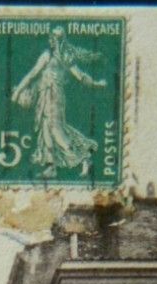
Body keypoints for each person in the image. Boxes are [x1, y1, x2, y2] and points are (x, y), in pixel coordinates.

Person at [11, 26, 107, 179]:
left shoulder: (58, 56)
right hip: (46, 94)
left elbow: (80, 76)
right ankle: (52, 167)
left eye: (56, 38)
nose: (54, 41)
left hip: (53, 95)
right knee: (46, 129)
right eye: (53, 38)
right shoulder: (55, 55)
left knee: (55, 129)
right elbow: (33, 75)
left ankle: (83, 158)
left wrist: (96, 84)